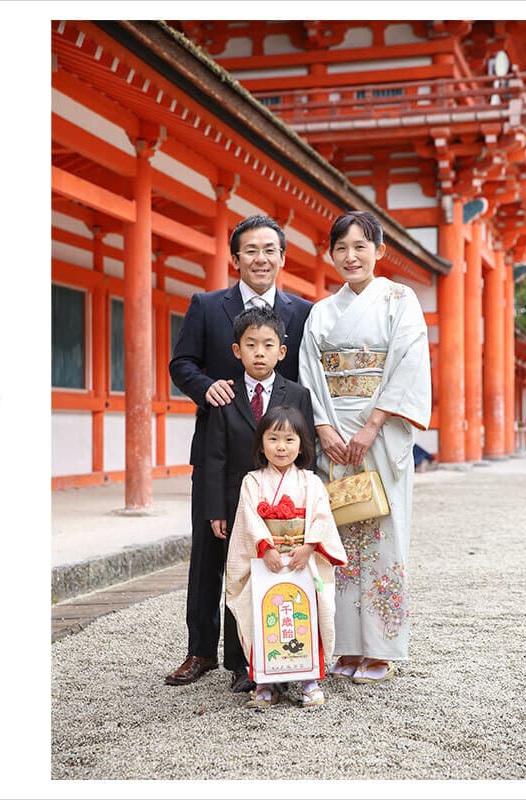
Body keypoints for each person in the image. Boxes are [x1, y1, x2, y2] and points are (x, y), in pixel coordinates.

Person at [166, 215, 313, 689]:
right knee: (211, 552)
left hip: (278, 460)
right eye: (250, 250)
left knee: (273, 554)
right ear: (235, 258)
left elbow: (309, 381)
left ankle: (263, 654)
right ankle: (200, 651)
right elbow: (181, 362)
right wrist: (206, 387)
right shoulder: (208, 306)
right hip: (220, 449)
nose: (261, 259)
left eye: (270, 250)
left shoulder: (303, 313)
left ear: (282, 257)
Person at [298, 210, 431, 684]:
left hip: (379, 432)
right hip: (336, 437)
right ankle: (348, 646)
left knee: (384, 536)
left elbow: (408, 363)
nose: (351, 256)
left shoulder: (400, 299)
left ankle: (383, 649)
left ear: (379, 251)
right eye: (341, 248)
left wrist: (372, 425)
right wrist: (324, 430)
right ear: (330, 254)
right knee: (340, 541)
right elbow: (310, 376)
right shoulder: (321, 312)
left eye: (361, 246)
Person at [204, 305, 316, 691]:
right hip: (241, 501)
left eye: (268, 345)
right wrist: (217, 509)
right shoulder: (226, 395)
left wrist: (306, 501)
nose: (259, 352)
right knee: (241, 578)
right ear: (237, 350)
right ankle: (240, 663)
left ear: (282, 352)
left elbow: (307, 450)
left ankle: (289, 657)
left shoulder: (297, 394)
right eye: (250, 345)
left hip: (286, 503)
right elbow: (214, 456)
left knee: (286, 578)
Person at [226, 405, 346, 708]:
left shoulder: (311, 482)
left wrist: (308, 548)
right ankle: (265, 684)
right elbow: (249, 520)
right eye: (273, 439)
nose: (281, 447)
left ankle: (309, 682)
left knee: (308, 617)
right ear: (261, 443)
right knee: (263, 617)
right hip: (266, 562)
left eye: (290, 440)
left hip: (302, 560)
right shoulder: (252, 482)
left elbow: (321, 518)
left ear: (302, 445)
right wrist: (265, 547)